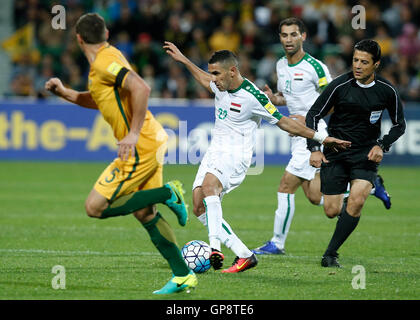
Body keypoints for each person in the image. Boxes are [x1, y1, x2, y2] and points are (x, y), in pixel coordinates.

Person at [163, 41, 351, 273]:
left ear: (232, 71)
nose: (213, 79)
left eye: (216, 73)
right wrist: (183, 59)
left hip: (236, 155)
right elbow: (203, 79)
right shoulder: (220, 86)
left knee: (210, 187)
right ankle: (244, 255)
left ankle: (215, 248)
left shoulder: (252, 96)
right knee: (198, 207)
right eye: (212, 73)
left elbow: (284, 123)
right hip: (215, 152)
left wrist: (322, 139)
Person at [45, 13, 197, 294]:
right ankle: (182, 274)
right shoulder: (107, 59)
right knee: (143, 212)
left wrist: (133, 133)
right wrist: (65, 92)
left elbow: (141, 86)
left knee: (94, 207)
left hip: (142, 145)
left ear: (78, 38)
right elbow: (101, 98)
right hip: (151, 141)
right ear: (107, 33)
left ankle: (168, 193)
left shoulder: (104, 62)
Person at [253, 18, 393, 256]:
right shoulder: (280, 65)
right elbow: (288, 96)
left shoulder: (315, 68)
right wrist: (275, 99)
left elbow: (336, 98)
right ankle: (369, 188)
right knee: (315, 196)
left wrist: (308, 120)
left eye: (293, 35)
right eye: (284, 35)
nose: (289, 40)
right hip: (296, 134)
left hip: (313, 134)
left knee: (286, 186)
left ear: (303, 37)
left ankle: (277, 243)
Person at [305, 39, 406, 267]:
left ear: (376, 64)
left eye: (364, 62)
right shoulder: (340, 85)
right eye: (355, 60)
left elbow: (400, 124)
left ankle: (330, 254)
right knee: (331, 210)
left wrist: (382, 145)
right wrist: (314, 148)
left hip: (365, 154)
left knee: (356, 201)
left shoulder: (387, 90)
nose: (358, 66)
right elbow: (313, 115)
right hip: (336, 152)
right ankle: (373, 185)